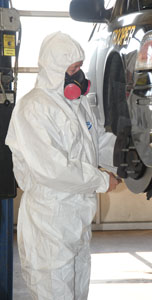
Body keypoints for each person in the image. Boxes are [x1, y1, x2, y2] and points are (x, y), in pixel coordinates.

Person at [6, 31, 120, 300]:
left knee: (78, 291)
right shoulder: (32, 108)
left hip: (78, 218)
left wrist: (131, 155)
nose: (78, 74)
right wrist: (103, 181)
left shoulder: (77, 104)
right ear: (55, 69)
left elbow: (97, 142)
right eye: (73, 68)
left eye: (80, 67)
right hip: (50, 220)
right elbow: (52, 169)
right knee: (54, 290)